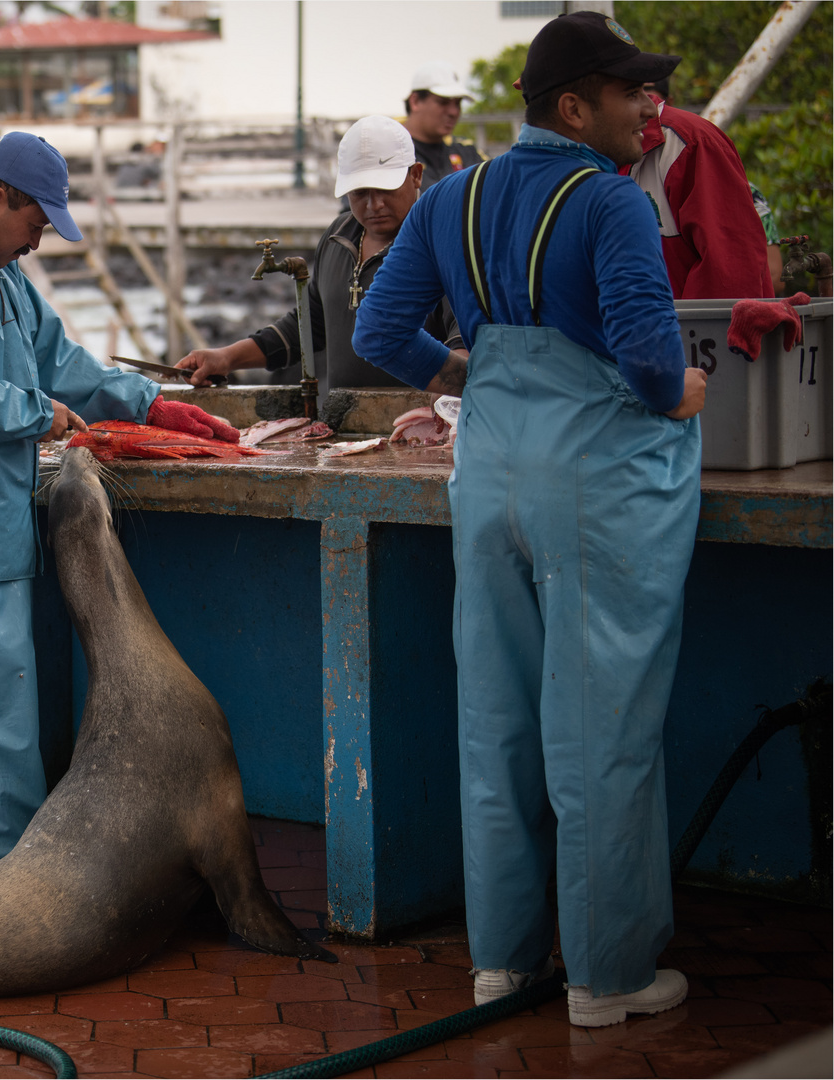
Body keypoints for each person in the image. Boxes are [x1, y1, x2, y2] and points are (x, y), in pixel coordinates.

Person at [352, 11, 707, 1029]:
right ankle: (605, 976)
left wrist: (468, 372)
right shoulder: (608, 202)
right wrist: (681, 390)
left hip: (487, 472)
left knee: (494, 723)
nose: (647, 108)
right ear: (571, 106)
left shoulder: (451, 195)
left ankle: (500, 966)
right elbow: (645, 357)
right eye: (629, 92)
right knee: (602, 730)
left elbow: (382, 329)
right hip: (592, 482)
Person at [0, 131, 238, 897]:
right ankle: (7, 921)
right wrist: (43, 417)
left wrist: (154, 404)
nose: (38, 240)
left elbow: (59, 357)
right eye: (36, 223)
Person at [174, 115, 462, 401]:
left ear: (416, 175)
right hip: (343, 425)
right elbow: (309, 326)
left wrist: (440, 409)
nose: (375, 205)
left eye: (385, 189)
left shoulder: (443, 244)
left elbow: (464, 347)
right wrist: (226, 357)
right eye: (360, 193)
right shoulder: (338, 236)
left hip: (417, 429)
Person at [624, 80, 774, 299]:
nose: (648, 107)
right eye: (631, 94)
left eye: (643, 94)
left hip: (687, 329)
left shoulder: (692, 144)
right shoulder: (585, 155)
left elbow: (733, 276)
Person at [403, 62, 484, 188]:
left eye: (458, 103)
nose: (454, 112)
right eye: (443, 102)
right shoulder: (390, 152)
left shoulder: (467, 150)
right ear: (415, 101)